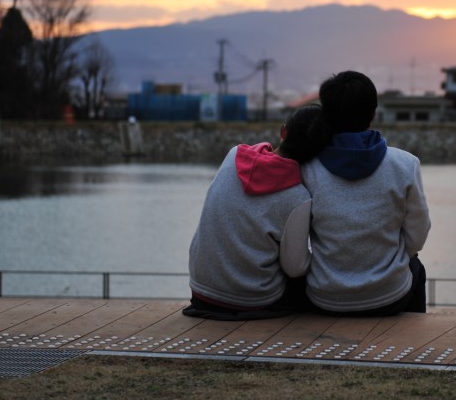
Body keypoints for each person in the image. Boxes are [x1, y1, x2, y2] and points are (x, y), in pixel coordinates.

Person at [302, 71, 431, 316]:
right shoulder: (405, 163)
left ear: (326, 114)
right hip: (389, 298)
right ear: (373, 113)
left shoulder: (307, 167)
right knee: (416, 267)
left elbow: (296, 245)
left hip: (324, 298)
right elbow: (417, 237)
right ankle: (415, 342)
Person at [184, 105, 330, 320]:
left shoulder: (233, 156)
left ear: (283, 131)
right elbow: (295, 268)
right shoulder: (297, 197)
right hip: (252, 300)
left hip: (201, 292)